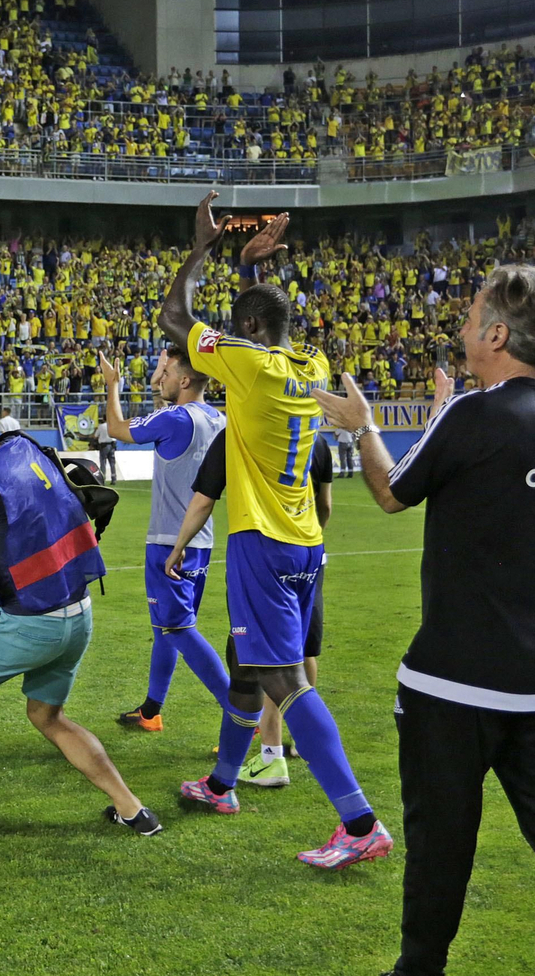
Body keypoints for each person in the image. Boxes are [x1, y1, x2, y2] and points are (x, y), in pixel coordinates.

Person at [313, 266, 535, 976]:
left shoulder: (478, 415)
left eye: (474, 317)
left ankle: (419, 969)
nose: (465, 328)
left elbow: (390, 492)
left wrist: (363, 428)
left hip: (455, 681)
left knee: (442, 840)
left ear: (499, 334)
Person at [157, 191, 391, 870]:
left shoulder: (251, 364)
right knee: (249, 671)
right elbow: (259, 326)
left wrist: (204, 246)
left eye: (239, 326)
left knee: (282, 677)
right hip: (305, 542)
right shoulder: (308, 363)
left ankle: (358, 820)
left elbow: (178, 318)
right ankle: (224, 785)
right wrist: (252, 276)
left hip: (260, 541)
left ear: (247, 331)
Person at [0, 431, 160, 840]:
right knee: (47, 716)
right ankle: (133, 810)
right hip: (77, 613)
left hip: (30, 623)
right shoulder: (24, 447)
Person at [165, 425, 334, 786]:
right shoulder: (315, 438)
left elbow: (204, 499)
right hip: (309, 554)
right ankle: (233, 778)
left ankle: (273, 759)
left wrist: (179, 546)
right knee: (299, 654)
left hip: (261, 556)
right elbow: (325, 508)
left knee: (259, 665)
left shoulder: (239, 434)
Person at [99, 348, 231, 735]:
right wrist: (161, 375)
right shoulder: (217, 418)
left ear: (185, 380)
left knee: (178, 629)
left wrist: (113, 385)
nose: (161, 378)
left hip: (168, 543)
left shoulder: (174, 418)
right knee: (166, 629)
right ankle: (151, 710)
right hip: (201, 539)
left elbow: (116, 428)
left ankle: (242, 716)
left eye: (166, 372)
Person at [92, 418, 118, 484]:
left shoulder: (101, 426)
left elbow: (95, 436)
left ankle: (103, 478)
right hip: (112, 445)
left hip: (104, 446)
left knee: (103, 462)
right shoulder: (112, 425)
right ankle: (114, 478)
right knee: (112, 463)